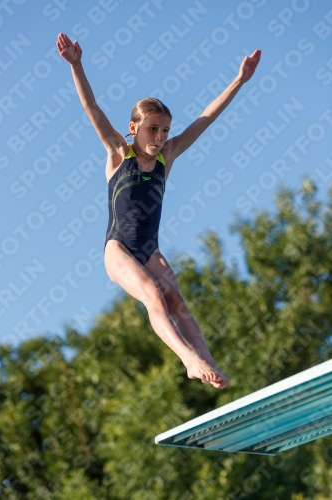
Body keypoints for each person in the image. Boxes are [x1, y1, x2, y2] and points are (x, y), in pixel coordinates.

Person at [56, 32, 261, 389]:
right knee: (152, 293)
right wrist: (77, 65)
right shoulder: (120, 153)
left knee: (177, 301)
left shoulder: (168, 157)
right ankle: (189, 360)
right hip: (118, 248)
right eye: (153, 129)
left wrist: (239, 80)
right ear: (134, 129)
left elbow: (206, 117)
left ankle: (208, 365)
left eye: (165, 130)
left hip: (149, 249)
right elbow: (92, 109)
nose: (160, 136)